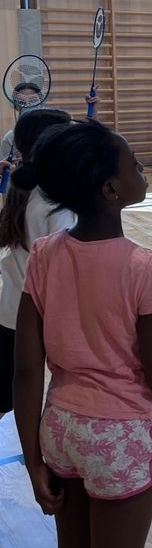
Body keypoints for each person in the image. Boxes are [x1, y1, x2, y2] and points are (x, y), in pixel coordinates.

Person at [13, 120, 152, 548]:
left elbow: (26, 371)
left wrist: (32, 460)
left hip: (60, 430)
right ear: (110, 189)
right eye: (135, 165)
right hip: (119, 441)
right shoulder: (146, 268)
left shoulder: (43, 254)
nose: (143, 169)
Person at [0, 109, 74, 420]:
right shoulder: (54, 206)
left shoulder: (25, 188)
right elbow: (62, 276)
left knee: (11, 395)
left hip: (11, 311)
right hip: (37, 319)